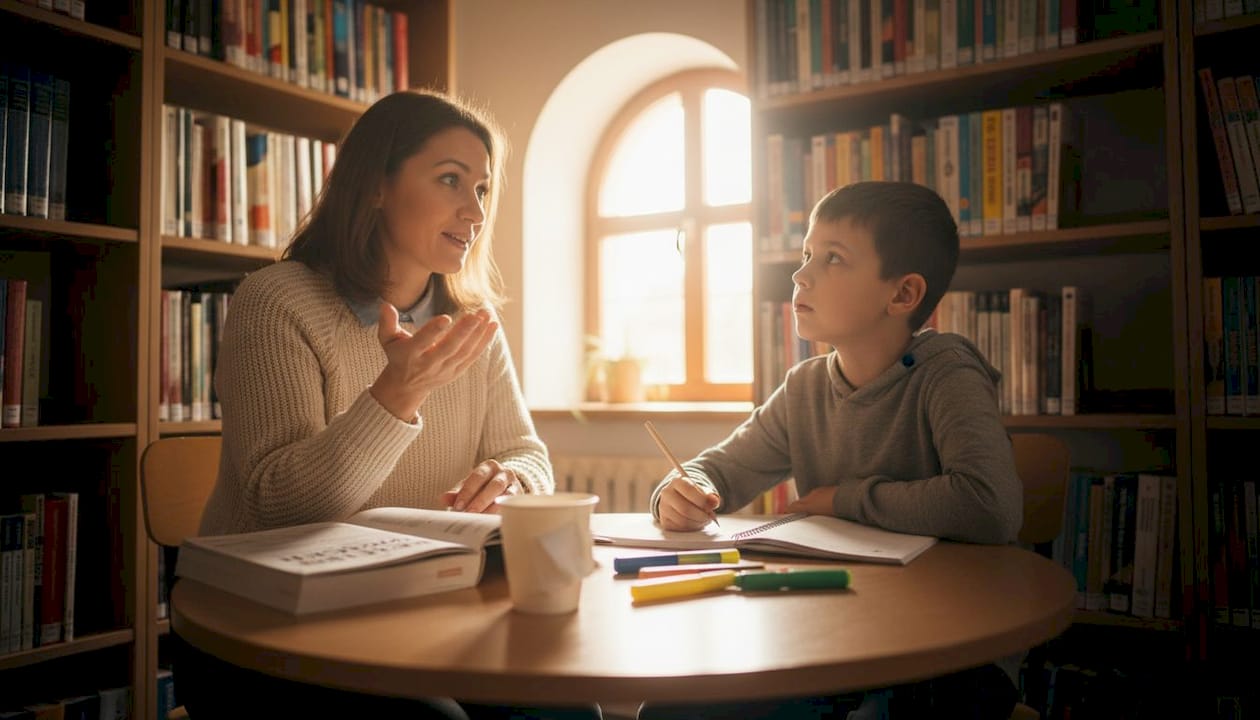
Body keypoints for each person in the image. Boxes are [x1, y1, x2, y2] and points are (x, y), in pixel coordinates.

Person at [172, 89, 601, 720]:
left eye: (481, 190)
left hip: (418, 608)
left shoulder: (472, 323)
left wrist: (510, 480)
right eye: (451, 180)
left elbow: (525, 452)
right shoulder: (276, 303)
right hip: (259, 628)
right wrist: (396, 395)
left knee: (564, 708)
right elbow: (276, 506)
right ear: (375, 186)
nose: (474, 211)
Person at [639, 181, 1024, 720]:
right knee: (672, 710)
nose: (800, 274)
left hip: (952, 649)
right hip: (840, 632)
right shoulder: (806, 387)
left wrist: (843, 499)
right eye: (805, 255)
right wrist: (677, 493)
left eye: (833, 258)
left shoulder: (948, 371)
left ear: (903, 295)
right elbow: (719, 469)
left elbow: (990, 506)